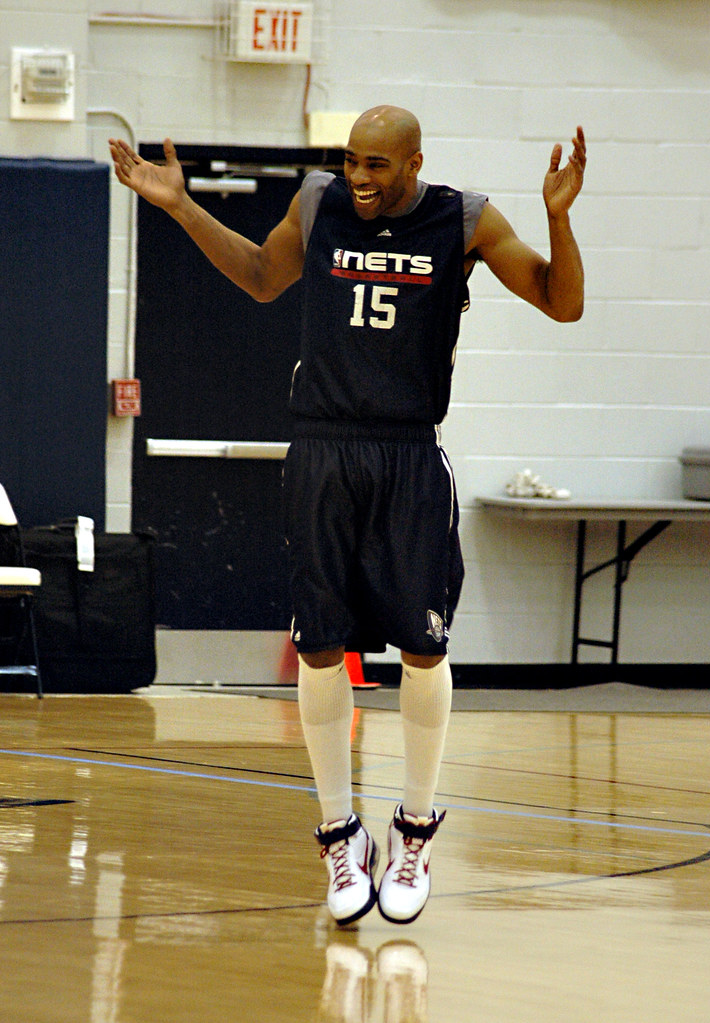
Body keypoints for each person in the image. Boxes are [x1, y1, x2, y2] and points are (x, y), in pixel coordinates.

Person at [109, 106, 585, 927]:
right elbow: (262, 276)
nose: (360, 177)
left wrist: (558, 217)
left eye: (376, 165)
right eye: (352, 161)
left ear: (414, 164)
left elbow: (561, 302)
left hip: (407, 451)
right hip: (323, 447)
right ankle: (340, 830)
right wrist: (182, 206)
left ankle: (414, 827)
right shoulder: (317, 200)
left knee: (423, 645)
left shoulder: (463, 218)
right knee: (321, 642)